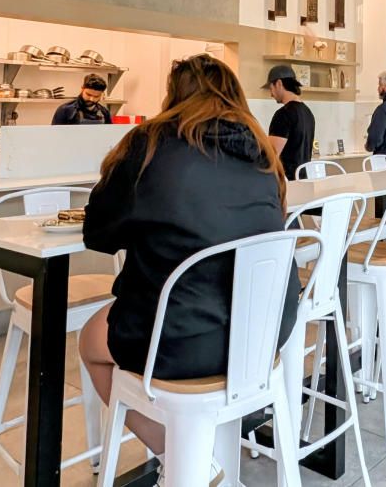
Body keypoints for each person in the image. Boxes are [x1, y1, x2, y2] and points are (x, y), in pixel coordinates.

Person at [78, 54, 300, 461]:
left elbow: (98, 234)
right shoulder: (264, 159)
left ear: (174, 95)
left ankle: (185, 461)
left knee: (91, 340)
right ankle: (196, 456)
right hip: (263, 335)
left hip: (183, 343)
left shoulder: (149, 146)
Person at [263, 64, 315, 178]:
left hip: (288, 181)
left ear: (279, 84)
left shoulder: (283, 114)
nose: (271, 94)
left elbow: (271, 156)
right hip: (304, 180)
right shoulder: (308, 112)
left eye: (271, 89)